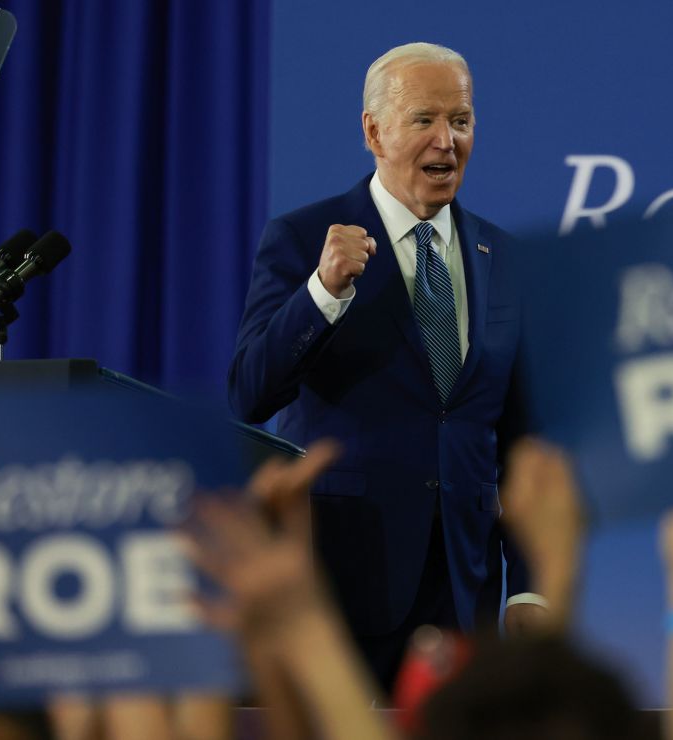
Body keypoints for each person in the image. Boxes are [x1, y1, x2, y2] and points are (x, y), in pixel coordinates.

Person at [227, 42, 537, 691]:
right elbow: (249, 393)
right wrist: (322, 291)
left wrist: (527, 589)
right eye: (425, 120)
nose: (447, 142)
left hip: (465, 595)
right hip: (344, 587)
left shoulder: (503, 256)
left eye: (461, 120)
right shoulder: (301, 238)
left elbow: (519, 438)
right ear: (374, 130)